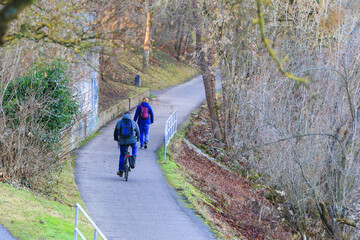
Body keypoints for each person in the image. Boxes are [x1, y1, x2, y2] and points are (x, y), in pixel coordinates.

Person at [114, 112, 140, 177]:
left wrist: (116, 139)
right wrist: (137, 139)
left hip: (122, 141)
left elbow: (115, 132)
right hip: (132, 140)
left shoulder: (119, 122)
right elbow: (137, 131)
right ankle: (133, 157)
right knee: (134, 147)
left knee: (122, 155)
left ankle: (121, 171)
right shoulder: (133, 122)